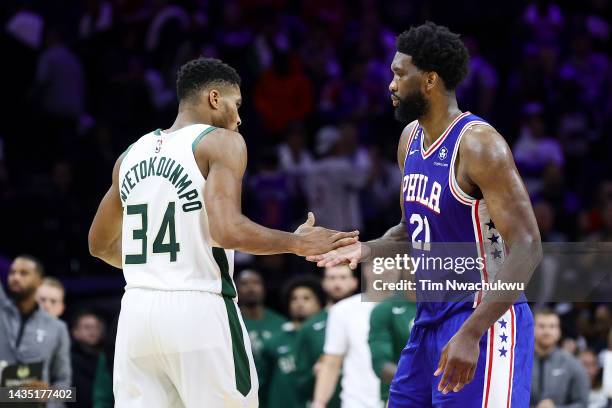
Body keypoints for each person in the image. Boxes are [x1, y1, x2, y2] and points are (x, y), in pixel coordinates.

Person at [87, 57, 359, 407]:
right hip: (197, 309)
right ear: (215, 98)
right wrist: (298, 243)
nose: (240, 117)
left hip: (136, 311)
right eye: (237, 104)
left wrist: (159, 269)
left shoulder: (130, 155)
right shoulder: (220, 141)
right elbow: (227, 230)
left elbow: (98, 244)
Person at [309, 22, 542, 407]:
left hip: (483, 316)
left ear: (430, 80)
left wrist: (472, 332)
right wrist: (363, 249)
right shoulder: (410, 140)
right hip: (429, 317)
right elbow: (408, 230)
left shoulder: (480, 144)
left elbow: (529, 246)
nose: (391, 84)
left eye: (400, 73)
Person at [0, 255, 71, 407]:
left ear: (39, 281)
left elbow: (66, 386)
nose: (15, 277)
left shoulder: (57, 328)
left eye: (23, 273)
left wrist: (49, 395)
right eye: (12, 273)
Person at [312, 263, 383, 408]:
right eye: (377, 265)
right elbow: (331, 363)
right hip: (357, 402)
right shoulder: (343, 310)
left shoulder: (417, 306)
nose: (385, 270)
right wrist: (319, 403)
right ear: (367, 270)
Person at [294, 265, 358, 407]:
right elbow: (299, 378)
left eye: (343, 277)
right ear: (324, 283)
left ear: (354, 282)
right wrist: (314, 372)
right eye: (332, 278)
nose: (337, 283)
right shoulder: (309, 327)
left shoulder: (368, 319)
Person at [259, 276, 325, 408]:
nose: (299, 303)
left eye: (306, 298)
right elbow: (262, 383)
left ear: (319, 303)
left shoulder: (328, 337)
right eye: (294, 299)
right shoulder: (274, 341)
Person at [237, 269, 287, 406]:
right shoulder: (230, 321)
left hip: (273, 390)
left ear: (264, 288)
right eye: (244, 284)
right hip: (241, 390)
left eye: (256, 283)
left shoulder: (280, 322)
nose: (251, 288)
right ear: (236, 288)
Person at [531, 309, 590, 408]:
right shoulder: (519, 362)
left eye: (552, 326)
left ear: (559, 331)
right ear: (532, 329)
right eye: (541, 326)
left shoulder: (572, 364)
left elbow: (583, 403)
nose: (547, 331)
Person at [368, 286, 417, 403]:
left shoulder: (450, 305)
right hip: (402, 397)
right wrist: (420, 382)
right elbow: (381, 364)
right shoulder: (385, 308)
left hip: (446, 396)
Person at [70, 310, 105, 408]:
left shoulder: (105, 359)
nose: (92, 331)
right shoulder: (67, 360)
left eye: (96, 327)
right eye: (87, 327)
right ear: (75, 332)